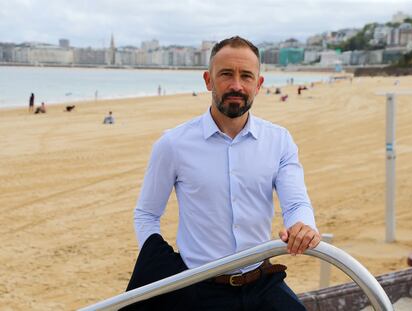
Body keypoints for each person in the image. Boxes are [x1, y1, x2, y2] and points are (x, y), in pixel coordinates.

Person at [124, 36, 319, 311]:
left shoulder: (280, 140)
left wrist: (303, 225)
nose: (237, 85)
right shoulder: (173, 144)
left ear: (259, 84)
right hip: (200, 287)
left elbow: (296, 203)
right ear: (208, 80)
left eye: (246, 76)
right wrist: (165, 266)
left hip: (263, 281)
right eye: (226, 74)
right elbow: (146, 214)